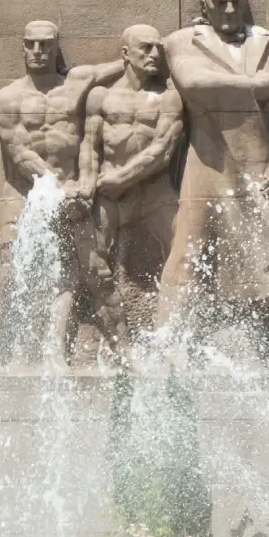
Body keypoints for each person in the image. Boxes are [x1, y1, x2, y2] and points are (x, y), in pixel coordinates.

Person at [157, 0, 269, 366]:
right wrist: (252, 85)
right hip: (208, 165)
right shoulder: (181, 41)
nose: (229, 8)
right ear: (203, 4)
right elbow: (191, 83)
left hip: (264, 163)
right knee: (187, 253)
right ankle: (168, 346)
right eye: (220, 1)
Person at [0, 21, 121, 365]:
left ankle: (55, 351)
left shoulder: (75, 85)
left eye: (45, 45)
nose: (38, 51)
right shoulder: (7, 98)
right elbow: (19, 153)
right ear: (22, 48)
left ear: (56, 47)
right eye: (30, 44)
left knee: (67, 273)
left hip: (69, 192)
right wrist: (59, 189)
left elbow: (127, 61)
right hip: (22, 193)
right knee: (6, 272)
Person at [83, 24, 184, 350]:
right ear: (125, 53)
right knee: (92, 264)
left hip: (155, 192)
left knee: (188, 251)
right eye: (146, 47)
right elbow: (89, 147)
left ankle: (171, 342)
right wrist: (87, 186)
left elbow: (164, 150)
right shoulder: (101, 97)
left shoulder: (170, 98)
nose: (155, 54)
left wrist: (122, 178)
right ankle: (124, 347)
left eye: (158, 48)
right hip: (109, 194)